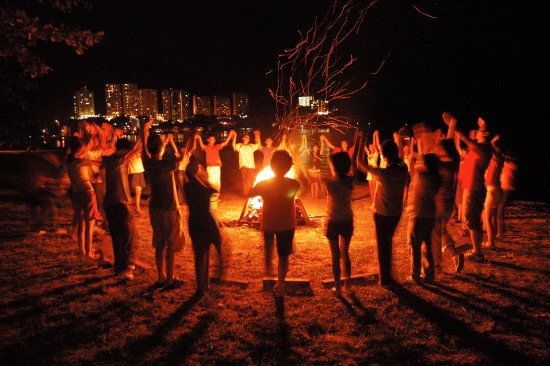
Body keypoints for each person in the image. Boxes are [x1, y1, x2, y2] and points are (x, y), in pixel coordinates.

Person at [357, 139, 409, 287]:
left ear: (384, 156)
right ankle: (387, 276)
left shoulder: (383, 173)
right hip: (396, 213)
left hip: (382, 214)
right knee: (388, 243)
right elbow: (400, 160)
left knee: (383, 246)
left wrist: (360, 143)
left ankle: (385, 279)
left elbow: (359, 163)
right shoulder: (404, 169)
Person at [249, 150, 300, 298]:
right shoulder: (294, 184)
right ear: (289, 167)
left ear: (271, 166)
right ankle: (280, 284)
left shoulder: (263, 184)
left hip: (270, 223)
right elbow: (292, 192)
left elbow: (250, 194)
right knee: (283, 255)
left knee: (269, 249)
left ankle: (268, 268)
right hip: (286, 224)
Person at [142, 119, 186, 289]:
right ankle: (170, 279)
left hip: (155, 209)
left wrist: (144, 130)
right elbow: (181, 158)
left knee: (159, 244)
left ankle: (161, 276)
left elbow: (143, 149)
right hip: (169, 207)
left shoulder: (148, 163)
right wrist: (184, 148)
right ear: (162, 147)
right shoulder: (166, 164)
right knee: (171, 244)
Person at [452, 116, 493, 263]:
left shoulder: (484, 148)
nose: (476, 132)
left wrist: (453, 125)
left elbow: (465, 138)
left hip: (474, 188)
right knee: (470, 220)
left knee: (473, 221)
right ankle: (477, 251)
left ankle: (478, 254)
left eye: (480, 131)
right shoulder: (477, 148)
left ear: (486, 135)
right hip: (470, 186)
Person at [102, 138, 142, 280]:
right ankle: (123, 268)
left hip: (112, 203)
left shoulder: (113, 160)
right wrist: (144, 131)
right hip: (117, 204)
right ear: (123, 150)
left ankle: (123, 266)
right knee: (124, 237)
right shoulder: (117, 160)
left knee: (123, 236)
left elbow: (134, 151)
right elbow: (135, 151)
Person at [406, 124, 440, 284]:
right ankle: (429, 275)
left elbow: (420, 158)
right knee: (427, 246)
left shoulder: (422, 177)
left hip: (418, 216)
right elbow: (423, 157)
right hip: (430, 215)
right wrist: (420, 139)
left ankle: (415, 276)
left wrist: (421, 138)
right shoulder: (434, 177)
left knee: (415, 247)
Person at [183, 157, 223, 295]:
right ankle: (204, 285)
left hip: (194, 221)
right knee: (205, 252)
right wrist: (204, 177)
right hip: (205, 220)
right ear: (196, 172)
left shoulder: (187, 186)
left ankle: (202, 285)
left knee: (200, 254)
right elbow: (214, 190)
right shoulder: (203, 187)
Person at [66, 136, 101, 260]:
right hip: (87, 192)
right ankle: (89, 253)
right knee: (90, 224)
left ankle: (82, 251)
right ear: (80, 149)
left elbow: (82, 154)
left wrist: (89, 144)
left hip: (76, 194)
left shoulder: (69, 161)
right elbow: (99, 163)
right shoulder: (82, 161)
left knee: (81, 224)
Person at [325, 152, 354, 296]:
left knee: (335, 256)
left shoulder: (330, 182)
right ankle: (347, 285)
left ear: (334, 166)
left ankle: (338, 288)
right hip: (347, 219)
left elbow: (332, 176)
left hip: (333, 220)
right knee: (345, 253)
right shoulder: (350, 181)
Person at [195, 130, 236, 209]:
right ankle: (211, 196)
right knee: (210, 182)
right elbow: (201, 145)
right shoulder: (206, 147)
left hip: (217, 167)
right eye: (211, 139)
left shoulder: (217, 146)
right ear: (208, 140)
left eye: (214, 139)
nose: (213, 140)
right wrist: (199, 138)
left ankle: (216, 197)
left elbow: (225, 143)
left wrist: (230, 135)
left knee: (217, 182)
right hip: (210, 167)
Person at [482, 135, 504, 249]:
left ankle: (491, 243)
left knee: (487, 218)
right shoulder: (495, 159)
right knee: (491, 218)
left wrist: (491, 141)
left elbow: (490, 148)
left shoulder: (498, 158)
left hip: (493, 190)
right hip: (494, 190)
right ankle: (492, 240)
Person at [497, 151, 519, 238]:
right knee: (499, 210)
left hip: (506, 189)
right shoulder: (512, 162)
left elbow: (501, 159)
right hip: (505, 188)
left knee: (499, 210)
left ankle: (500, 232)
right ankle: (502, 228)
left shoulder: (511, 163)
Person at [233, 131, 261, 196]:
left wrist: (257, 135)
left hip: (251, 166)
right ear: (243, 138)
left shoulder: (251, 146)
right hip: (244, 165)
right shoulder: (239, 145)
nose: (247, 138)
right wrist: (235, 136)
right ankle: (245, 194)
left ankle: (248, 193)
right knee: (246, 180)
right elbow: (233, 146)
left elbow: (258, 145)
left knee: (251, 181)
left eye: (248, 137)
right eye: (246, 137)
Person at [127, 150, 146, 215]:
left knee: (139, 191)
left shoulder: (136, 151)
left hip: (139, 170)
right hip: (135, 171)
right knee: (137, 191)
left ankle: (137, 207)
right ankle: (137, 208)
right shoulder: (131, 152)